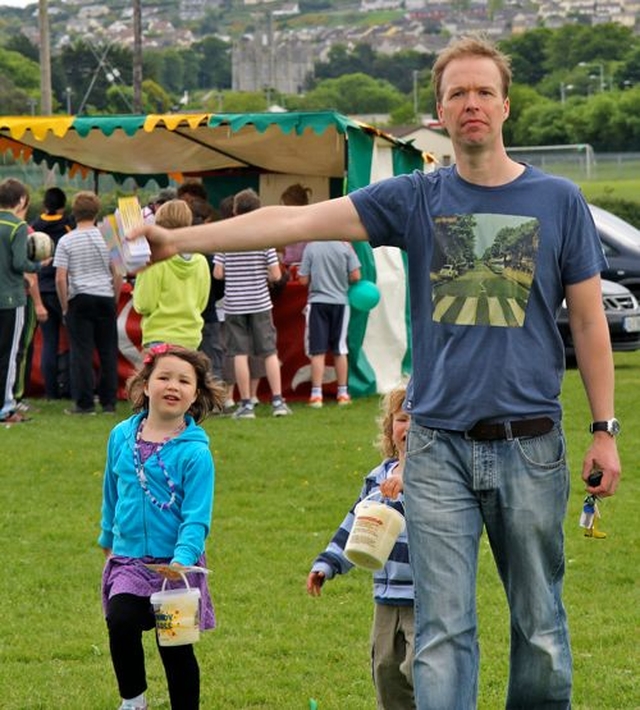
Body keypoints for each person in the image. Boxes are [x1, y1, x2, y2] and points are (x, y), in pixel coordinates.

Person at [130, 35, 621, 709]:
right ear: (439, 113)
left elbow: (591, 324)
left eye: (483, 91)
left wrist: (604, 429)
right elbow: (296, 218)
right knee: (442, 632)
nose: (471, 103)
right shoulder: (415, 197)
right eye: (457, 94)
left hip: (531, 445)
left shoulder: (558, 200)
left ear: (505, 105)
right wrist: (178, 240)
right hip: (436, 446)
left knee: (539, 628)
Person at [99, 343, 226, 710]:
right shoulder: (120, 437)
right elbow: (112, 490)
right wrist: (107, 536)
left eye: (184, 381)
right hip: (129, 560)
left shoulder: (195, 453)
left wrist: (181, 559)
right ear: (146, 384)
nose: (174, 385)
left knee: (174, 646)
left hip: (176, 568)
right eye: (164, 377)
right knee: (121, 619)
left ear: (195, 395)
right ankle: (133, 701)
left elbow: (197, 517)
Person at [307, 386, 415, 710]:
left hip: (425, 597)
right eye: (402, 419)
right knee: (385, 671)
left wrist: (413, 480)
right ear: (390, 427)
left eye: (419, 421)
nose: (408, 427)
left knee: (422, 671)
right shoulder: (377, 478)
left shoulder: (437, 477)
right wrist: (327, 563)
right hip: (385, 597)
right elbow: (356, 526)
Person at [213, 188, 291, 419]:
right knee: (269, 352)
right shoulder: (264, 237)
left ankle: (245, 404)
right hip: (260, 302)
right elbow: (276, 275)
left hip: (234, 304)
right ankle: (278, 401)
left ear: (235, 210)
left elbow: (218, 273)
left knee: (239, 353)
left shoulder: (226, 237)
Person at [54, 191, 122, 415]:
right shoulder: (109, 236)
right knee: (108, 352)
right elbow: (118, 272)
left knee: (81, 353)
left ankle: (84, 404)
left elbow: (61, 277)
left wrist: (65, 305)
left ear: (74, 212)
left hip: (79, 297)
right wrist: (115, 298)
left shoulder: (66, 240)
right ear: (97, 211)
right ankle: (109, 402)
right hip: (105, 296)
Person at [133, 199, 210, 350]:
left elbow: (144, 304)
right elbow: (201, 303)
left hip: (158, 335)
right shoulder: (201, 261)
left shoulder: (156, 260)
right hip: (190, 338)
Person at [298, 240, 361, 407]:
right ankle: (343, 393)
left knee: (317, 350)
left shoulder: (310, 246)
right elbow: (356, 276)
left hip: (317, 302)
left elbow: (303, 280)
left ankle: (316, 395)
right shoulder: (346, 246)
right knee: (340, 350)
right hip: (341, 302)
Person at [0, 178, 42, 424]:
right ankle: (6, 408)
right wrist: (39, 264)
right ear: (22, 200)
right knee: (10, 353)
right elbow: (20, 263)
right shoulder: (18, 226)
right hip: (11, 298)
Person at [30, 186, 74, 399]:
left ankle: (51, 392)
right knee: (75, 341)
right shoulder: (68, 225)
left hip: (40, 287)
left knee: (49, 341)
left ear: (44, 204)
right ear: (64, 205)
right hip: (62, 288)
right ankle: (73, 390)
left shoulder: (34, 226)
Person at [279, 183, 312, 269]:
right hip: (291, 267)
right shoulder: (287, 223)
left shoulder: (308, 224)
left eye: (286, 205)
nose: (284, 210)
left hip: (303, 269)